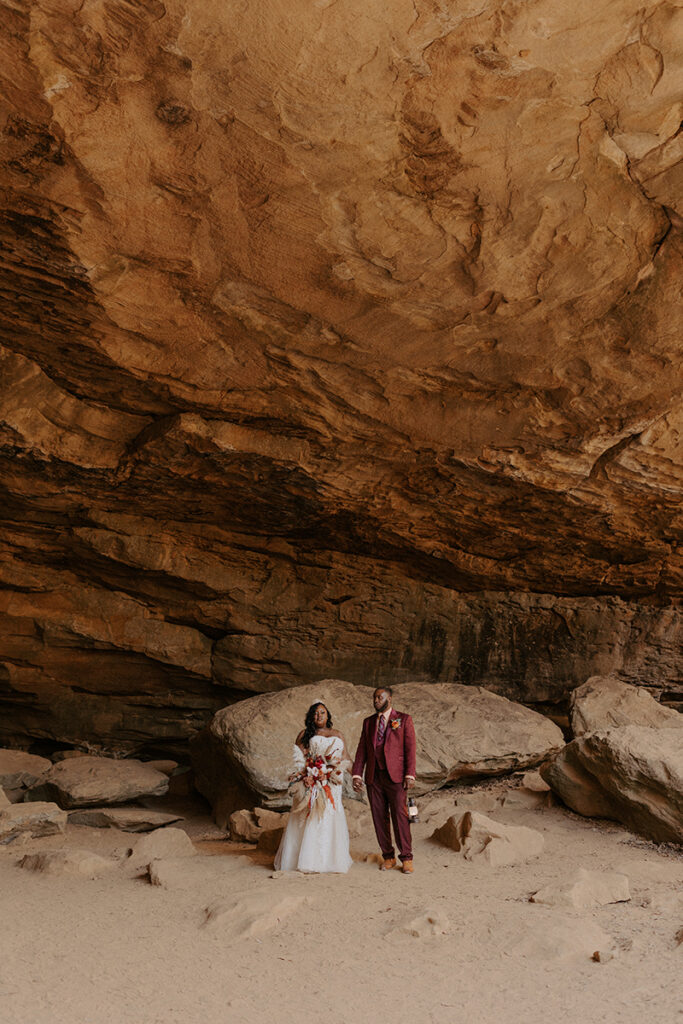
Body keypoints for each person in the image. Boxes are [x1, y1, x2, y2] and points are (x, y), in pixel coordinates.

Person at [274, 701, 353, 873]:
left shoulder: (337, 734)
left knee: (330, 815)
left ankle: (329, 861)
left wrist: (356, 776)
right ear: (311, 716)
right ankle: (308, 861)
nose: (319, 716)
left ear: (328, 715)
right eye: (315, 713)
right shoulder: (304, 734)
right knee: (312, 816)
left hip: (332, 783)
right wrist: (308, 775)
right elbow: (300, 761)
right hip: (313, 781)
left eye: (322, 712)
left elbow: (346, 758)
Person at [352, 686, 416, 873]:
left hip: (396, 777)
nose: (376, 701)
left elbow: (410, 749)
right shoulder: (368, 722)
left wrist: (409, 774)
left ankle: (406, 858)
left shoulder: (403, 719)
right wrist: (357, 774)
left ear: (390, 699)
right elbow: (362, 749)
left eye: (379, 697)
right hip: (374, 776)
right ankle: (388, 857)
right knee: (379, 818)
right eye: (374, 698)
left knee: (400, 816)